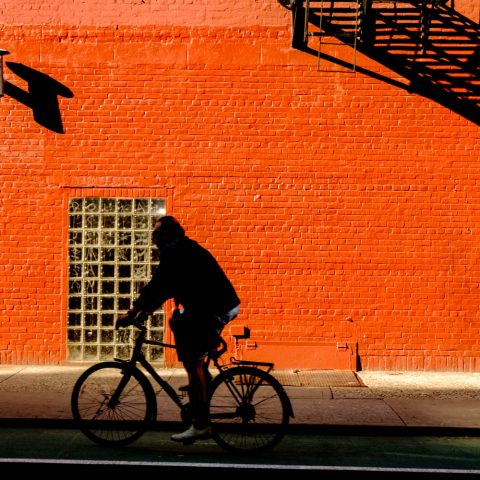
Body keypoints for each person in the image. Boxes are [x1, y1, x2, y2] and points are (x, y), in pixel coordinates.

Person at [116, 216, 240, 442]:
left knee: (192, 363)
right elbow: (166, 286)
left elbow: (159, 285)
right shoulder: (181, 249)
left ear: (166, 236)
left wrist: (134, 312)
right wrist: (147, 309)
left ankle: (201, 424)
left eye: (156, 232)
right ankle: (204, 379)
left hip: (214, 308)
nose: (152, 236)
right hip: (214, 305)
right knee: (177, 321)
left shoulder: (177, 253)